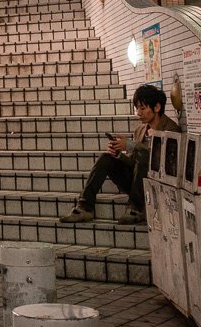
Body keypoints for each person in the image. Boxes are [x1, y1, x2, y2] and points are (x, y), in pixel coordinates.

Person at [60, 84, 181, 226]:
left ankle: (136, 209)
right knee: (106, 158)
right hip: (137, 184)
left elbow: (165, 161)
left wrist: (131, 145)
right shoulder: (140, 130)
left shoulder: (171, 129)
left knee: (144, 157)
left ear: (157, 108)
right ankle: (84, 207)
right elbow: (134, 164)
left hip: (158, 185)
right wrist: (118, 155)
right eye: (137, 108)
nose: (138, 113)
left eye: (142, 108)